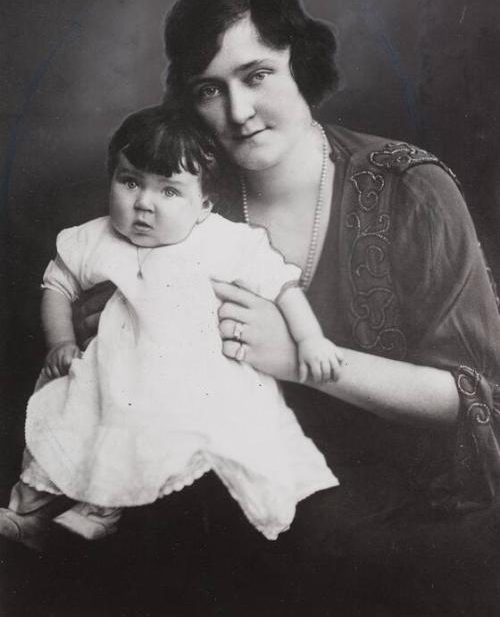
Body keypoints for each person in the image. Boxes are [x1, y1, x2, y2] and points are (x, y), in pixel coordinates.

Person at [19, 0, 500, 614]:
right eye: (209, 89)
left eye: (257, 75)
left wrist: (297, 356)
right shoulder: (172, 199)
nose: (238, 112)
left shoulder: (412, 191)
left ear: (303, 64)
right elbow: (95, 338)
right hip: (204, 506)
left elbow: (478, 398)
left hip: (395, 515)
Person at [0, 105, 342, 549]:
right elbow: (57, 285)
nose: (143, 203)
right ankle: (29, 513)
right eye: (129, 182)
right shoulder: (97, 237)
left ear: (203, 204)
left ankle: (103, 508)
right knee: (67, 421)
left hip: (190, 374)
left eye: (169, 191)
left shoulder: (221, 240)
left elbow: (281, 285)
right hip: (112, 366)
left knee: (157, 434)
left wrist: (310, 337)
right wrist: (61, 341)